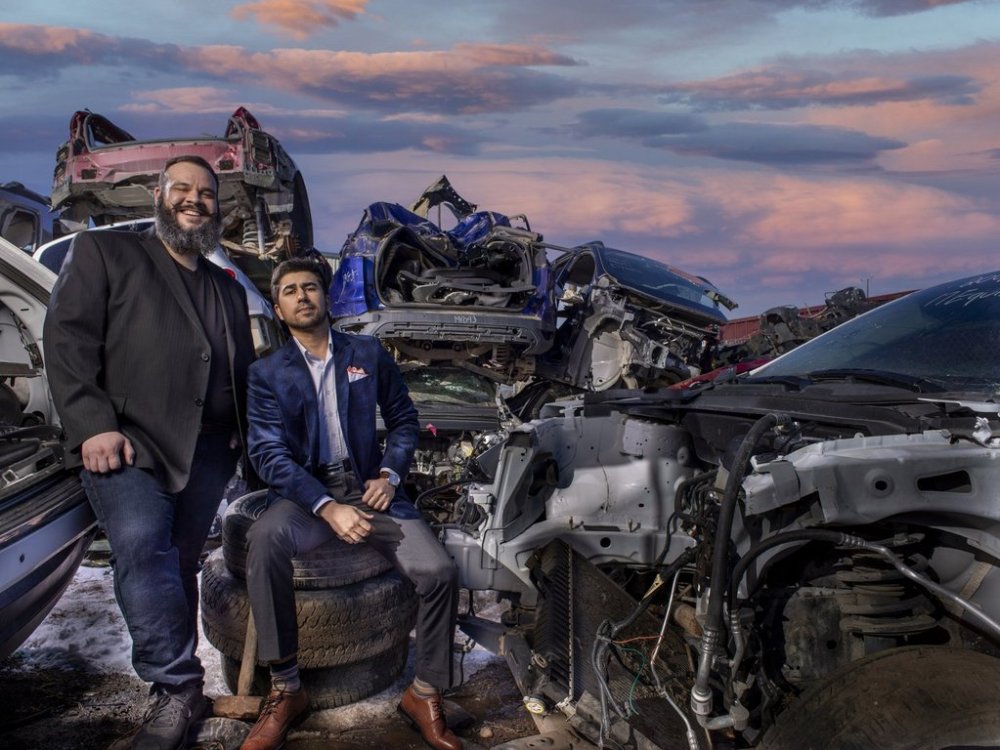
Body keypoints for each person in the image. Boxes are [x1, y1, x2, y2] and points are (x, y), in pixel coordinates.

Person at [43, 155, 255, 750]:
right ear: (158, 196)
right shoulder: (107, 253)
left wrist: (241, 433)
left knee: (180, 561)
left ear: (217, 208)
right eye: (182, 188)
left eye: (206, 193)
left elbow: (238, 367)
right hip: (127, 443)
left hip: (208, 448)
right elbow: (66, 337)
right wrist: (93, 424)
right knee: (142, 546)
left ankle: (182, 684)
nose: (195, 200)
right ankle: (176, 688)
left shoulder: (225, 285)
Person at [241, 257, 463, 750]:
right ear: (278, 309)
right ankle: (287, 689)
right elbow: (268, 454)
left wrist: (389, 474)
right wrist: (326, 506)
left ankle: (424, 693)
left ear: (326, 297)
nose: (302, 296)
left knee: (439, 573)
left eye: (310, 287)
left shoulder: (366, 352)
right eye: (290, 291)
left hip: (370, 488)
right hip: (305, 496)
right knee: (264, 539)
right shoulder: (265, 373)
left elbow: (403, 420)